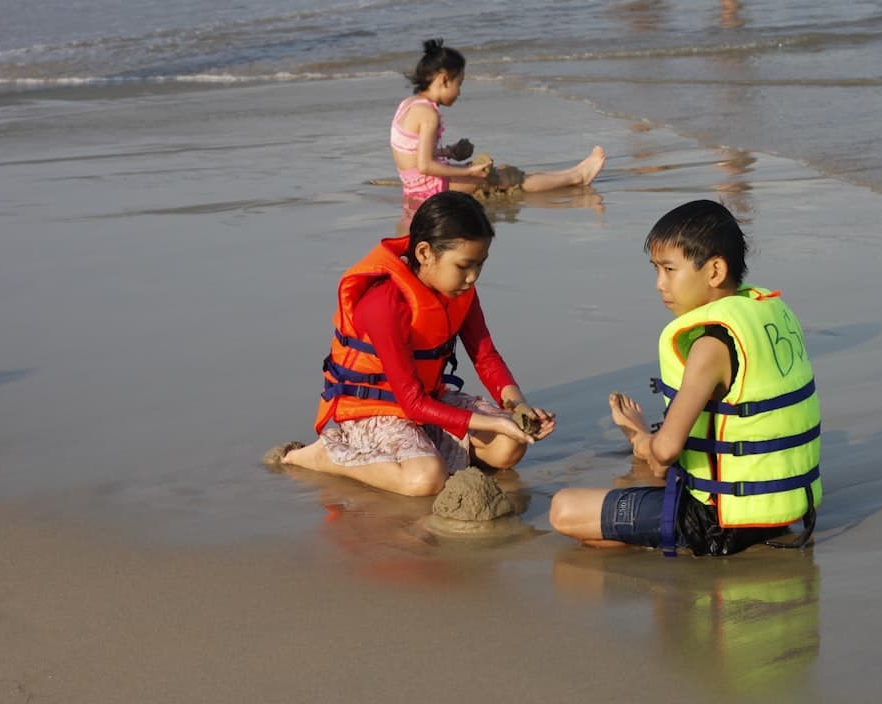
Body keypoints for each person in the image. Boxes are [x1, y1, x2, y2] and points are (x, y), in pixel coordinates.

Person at [549, 200, 822, 556]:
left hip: (717, 523)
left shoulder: (709, 346)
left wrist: (639, 437)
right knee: (602, 528)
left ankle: (673, 542)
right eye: (656, 270)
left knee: (564, 509)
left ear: (714, 271)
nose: (660, 284)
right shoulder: (767, 313)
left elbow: (665, 453)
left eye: (669, 269)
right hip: (784, 511)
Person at [270, 191, 555, 496]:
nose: (473, 277)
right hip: (373, 410)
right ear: (423, 253)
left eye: (479, 265)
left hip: (428, 401)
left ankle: (425, 450)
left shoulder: (459, 292)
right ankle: (324, 456)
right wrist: (495, 424)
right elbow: (411, 403)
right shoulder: (384, 303)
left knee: (510, 446)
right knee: (426, 480)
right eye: (464, 265)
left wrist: (518, 406)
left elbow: (485, 356)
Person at [391, 39, 606, 203]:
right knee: (507, 179)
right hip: (431, 188)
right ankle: (576, 177)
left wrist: (449, 152)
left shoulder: (409, 104)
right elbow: (425, 165)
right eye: (459, 83)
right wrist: (468, 172)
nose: (459, 92)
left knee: (500, 171)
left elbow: (414, 154)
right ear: (444, 80)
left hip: (415, 186)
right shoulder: (429, 114)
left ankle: (572, 172)